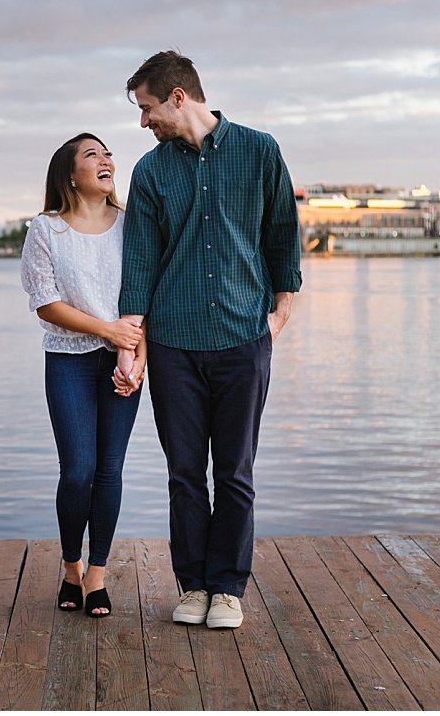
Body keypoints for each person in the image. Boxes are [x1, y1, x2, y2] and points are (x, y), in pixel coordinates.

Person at [114, 50, 301, 629]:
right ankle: (191, 586)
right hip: (174, 345)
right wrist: (131, 340)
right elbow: (140, 261)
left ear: (177, 97)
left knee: (235, 473)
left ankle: (227, 589)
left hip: (244, 338)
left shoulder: (259, 150)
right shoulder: (151, 172)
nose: (142, 122)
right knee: (184, 472)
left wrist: (281, 311)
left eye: (146, 108)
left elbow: (281, 232)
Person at [20, 133, 147, 618]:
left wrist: (136, 357)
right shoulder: (46, 230)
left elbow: (145, 296)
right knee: (78, 471)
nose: (106, 159)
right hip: (69, 359)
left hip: (124, 361)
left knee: (109, 469)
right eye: (92, 154)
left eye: (108, 153)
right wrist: (108, 332)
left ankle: (96, 575)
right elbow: (45, 304)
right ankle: (70, 566)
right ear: (69, 174)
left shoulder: (133, 225)